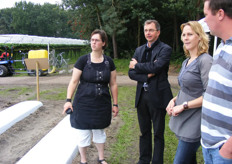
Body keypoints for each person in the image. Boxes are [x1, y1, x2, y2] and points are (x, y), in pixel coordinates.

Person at [63, 29, 119, 164]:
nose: (93, 42)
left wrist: (115, 104)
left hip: (102, 103)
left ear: (103, 43)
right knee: (83, 133)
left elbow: (113, 84)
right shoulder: (83, 60)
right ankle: (83, 160)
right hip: (83, 103)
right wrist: (68, 100)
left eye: (97, 40)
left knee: (100, 132)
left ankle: (101, 158)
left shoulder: (109, 62)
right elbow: (74, 81)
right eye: (92, 40)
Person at [166, 21, 212, 164]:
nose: (185, 38)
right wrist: (173, 100)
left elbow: (209, 96)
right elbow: (187, 89)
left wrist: (184, 105)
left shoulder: (205, 61)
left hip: (196, 120)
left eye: (190, 34)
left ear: (199, 37)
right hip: (183, 117)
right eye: (184, 34)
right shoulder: (186, 61)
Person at [128, 19, 173, 164]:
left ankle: (157, 161)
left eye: (151, 30)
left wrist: (138, 66)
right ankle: (144, 159)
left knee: (158, 133)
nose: (148, 33)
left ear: (158, 32)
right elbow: (130, 73)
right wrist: (146, 73)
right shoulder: (139, 50)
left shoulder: (165, 49)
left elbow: (157, 67)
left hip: (158, 96)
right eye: (146, 30)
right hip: (142, 96)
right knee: (144, 132)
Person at [201, 0, 232, 163]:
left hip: (224, 150)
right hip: (210, 146)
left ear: (220, 14)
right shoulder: (222, 46)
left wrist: (228, 149)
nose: (204, 20)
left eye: (206, 15)